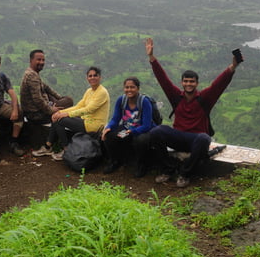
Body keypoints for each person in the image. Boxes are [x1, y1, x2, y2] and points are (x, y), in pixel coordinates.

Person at [145, 37, 242, 188]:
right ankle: (167, 169)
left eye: (191, 82)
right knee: (157, 131)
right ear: (182, 83)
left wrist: (233, 66)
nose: (188, 84)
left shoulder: (205, 98)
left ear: (196, 83)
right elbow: (163, 79)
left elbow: (219, 84)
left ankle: (184, 173)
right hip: (178, 136)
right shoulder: (176, 96)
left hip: (196, 140)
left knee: (204, 138)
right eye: (186, 81)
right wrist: (151, 58)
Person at [32, 66, 110, 161]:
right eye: (90, 76)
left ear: (100, 77)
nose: (92, 78)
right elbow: (79, 106)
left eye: (95, 75)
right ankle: (48, 146)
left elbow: (88, 109)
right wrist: (60, 112)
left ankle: (65, 149)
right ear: (87, 78)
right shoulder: (89, 91)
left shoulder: (102, 92)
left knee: (60, 120)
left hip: (94, 125)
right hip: (86, 121)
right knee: (57, 117)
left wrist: (66, 114)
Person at [101, 77, 155, 176]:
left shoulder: (144, 102)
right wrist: (108, 127)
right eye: (127, 87)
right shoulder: (121, 100)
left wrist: (132, 132)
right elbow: (115, 119)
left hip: (142, 129)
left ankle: (142, 165)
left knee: (140, 140)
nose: (129, 90)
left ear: (138, 88)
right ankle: (115, 161)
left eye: (132, 87)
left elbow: (147, 125)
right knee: (109, 135)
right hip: (127, 127)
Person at [19, 49, 73, 125]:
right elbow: (38, 99)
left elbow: (46, 87)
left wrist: (59, 98)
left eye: (43, 60)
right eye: (38, 60)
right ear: (31, 60)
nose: (41, 62)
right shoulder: (31, 76)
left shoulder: (31, 72)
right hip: (36, 115)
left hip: (36, 110)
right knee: (69, 101)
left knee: (57, 97)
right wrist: (51, 110)